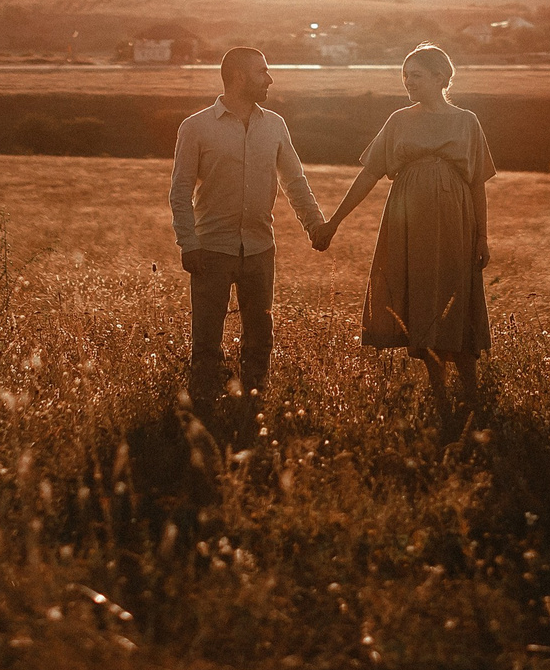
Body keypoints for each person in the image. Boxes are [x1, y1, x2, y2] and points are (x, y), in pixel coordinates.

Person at [314, 45, 495, 413]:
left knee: (457, 292)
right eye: (405, 75)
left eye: (416, 75)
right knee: (422, 294)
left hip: (457, 222)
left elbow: (477, 181)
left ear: (441, 78)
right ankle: (440, 394)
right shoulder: (399, 120)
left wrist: (482, 235)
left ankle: (473, 393)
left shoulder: (467, 121)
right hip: (409, 222)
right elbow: (369, 173)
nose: (408, 82)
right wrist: (334, 221)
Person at [168, 46, 326, 401]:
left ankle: (253, 403)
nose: (269, 79)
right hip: (211, 250)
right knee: (207, 338)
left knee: (260, 336)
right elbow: (179, 191)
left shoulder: (275, 125)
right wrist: (188, 244)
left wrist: (314, 225)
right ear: (239, 76)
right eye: (262, 72)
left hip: (259, 248)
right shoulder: (195, 127)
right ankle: (204, 405)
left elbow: (294, 181)